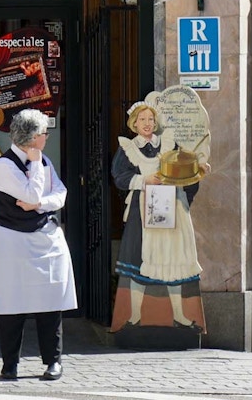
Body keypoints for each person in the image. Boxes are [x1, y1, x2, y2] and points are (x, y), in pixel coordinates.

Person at [0, 108, 76, 381]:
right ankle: (10, 364)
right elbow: (32, 191)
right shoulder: (4, 166)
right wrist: (36, 171)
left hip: (46, 240)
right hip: (13, 241)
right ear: (30, 138)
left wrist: (40, 205)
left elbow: (59, 193)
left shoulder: (44, 160)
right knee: (12, 304)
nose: (47, 137)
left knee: (50, 303)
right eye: (43, 133)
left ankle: (54, 361)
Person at [110, 101, 204, 332]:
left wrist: (188, 190)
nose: (147, 124)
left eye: (150, 119)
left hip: (171, 207)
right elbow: (119, 177)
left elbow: (186, 169)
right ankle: (134, 315)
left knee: (173, 259)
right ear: (134, 124)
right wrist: (144, 181)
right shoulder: (128, 149)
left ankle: (179, 315)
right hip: (142, 211)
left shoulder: (170, 144)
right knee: (139, 261)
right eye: (142, 119)